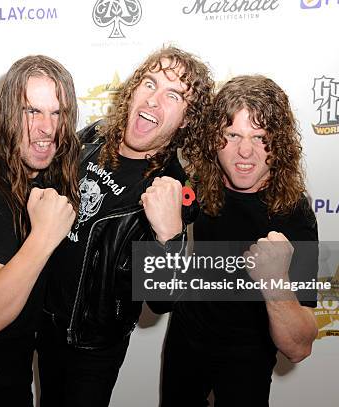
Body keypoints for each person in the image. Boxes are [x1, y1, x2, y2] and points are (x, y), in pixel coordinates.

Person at [37, 46, 214, 407]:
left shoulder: (172, 188)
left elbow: (161, 301)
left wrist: (170, 235)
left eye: (174, 95)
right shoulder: (92, 137)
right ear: (133, 90)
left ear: (187, 119)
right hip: (44, 322)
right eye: (149, 84)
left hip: (93, 344)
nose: (154, 100)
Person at [161, 75, 319, 406]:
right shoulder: (200, 182)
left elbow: (299, 347)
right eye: (232, 135)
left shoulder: (293, 214)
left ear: (278, 144)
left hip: (248, 353)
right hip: (187, 337)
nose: (244, 151)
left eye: (259, 137)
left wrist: (276, 283)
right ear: (214, 138)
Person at [0, 55, 80, 407]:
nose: (47, 127)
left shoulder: (54, 160)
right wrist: (44, 235)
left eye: (57, 113)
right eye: (31, 112)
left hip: (37, 334)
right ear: (8, 113)